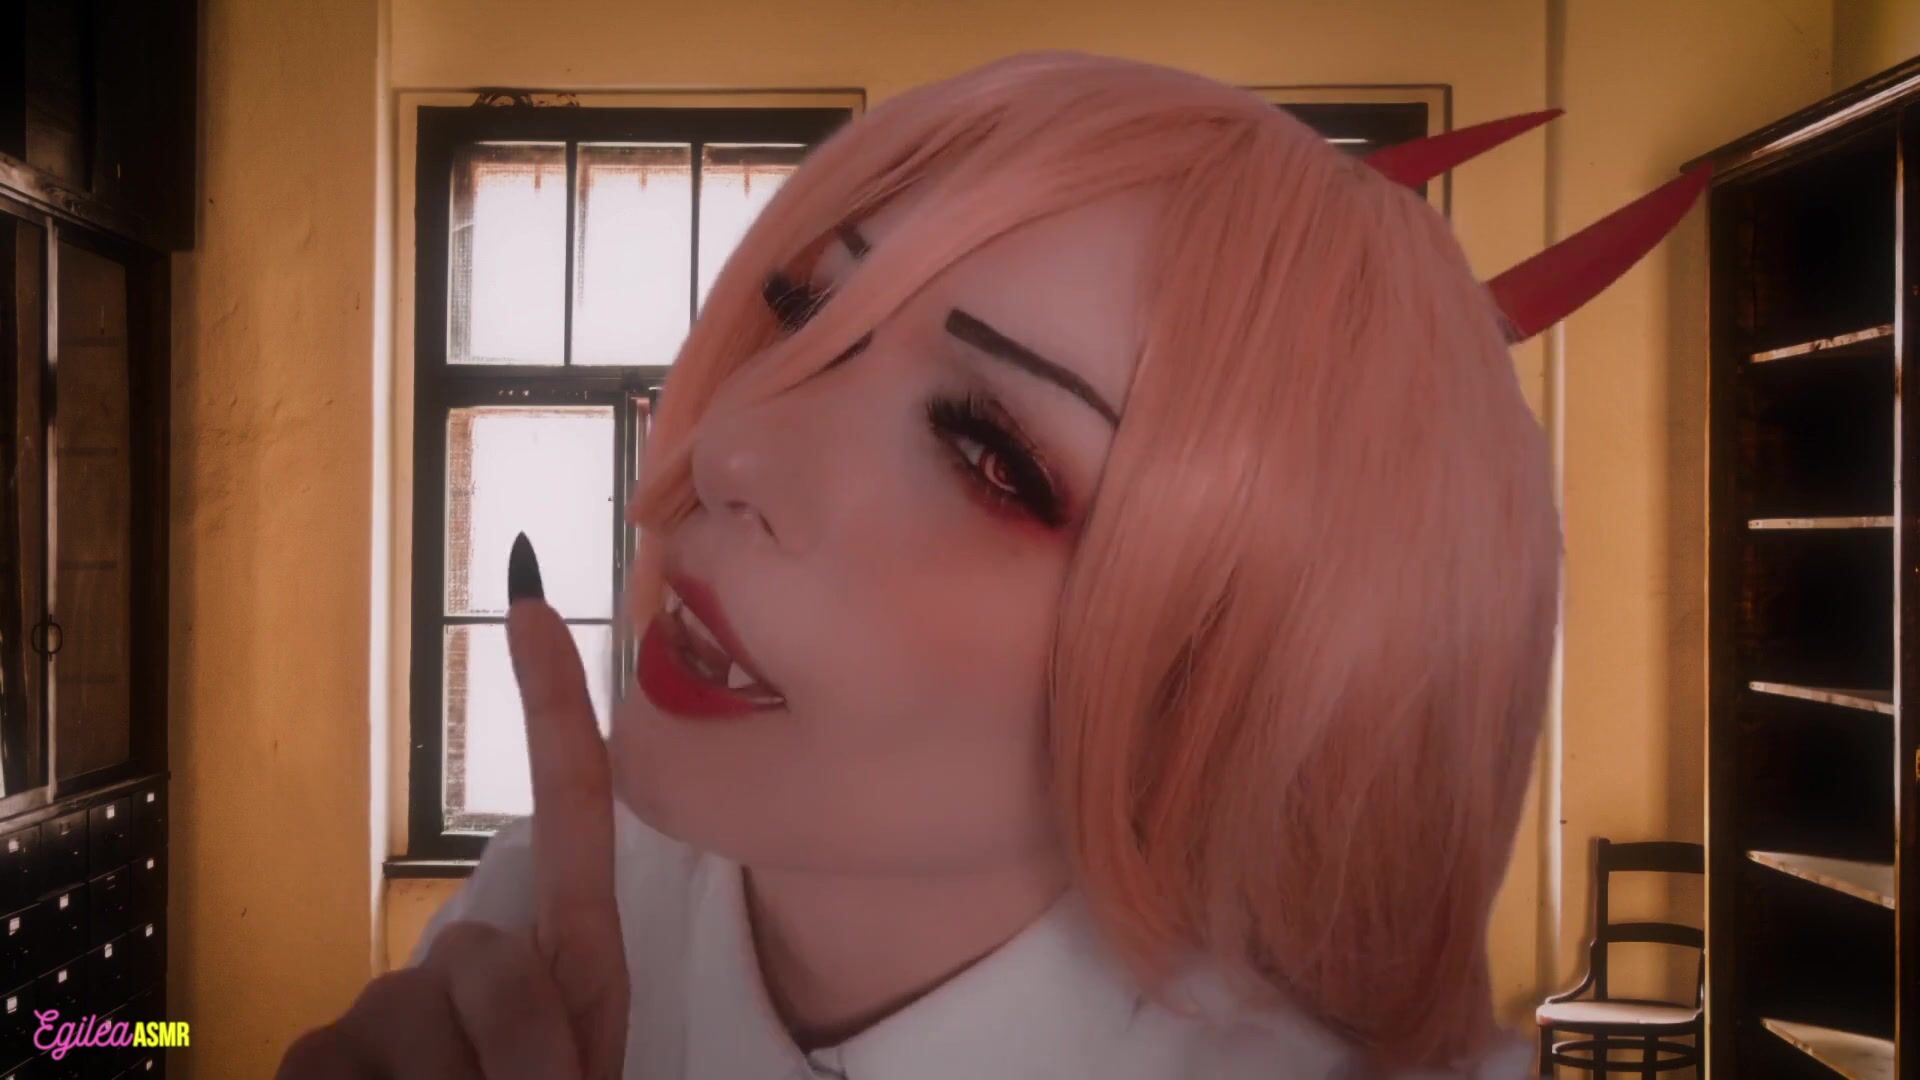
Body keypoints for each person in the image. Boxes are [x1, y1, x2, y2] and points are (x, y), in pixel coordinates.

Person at [278, 51, 1704, 1079]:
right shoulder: (557, 907)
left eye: (989, 454)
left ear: (1245, 664)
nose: (732, 448)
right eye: (802, 313)